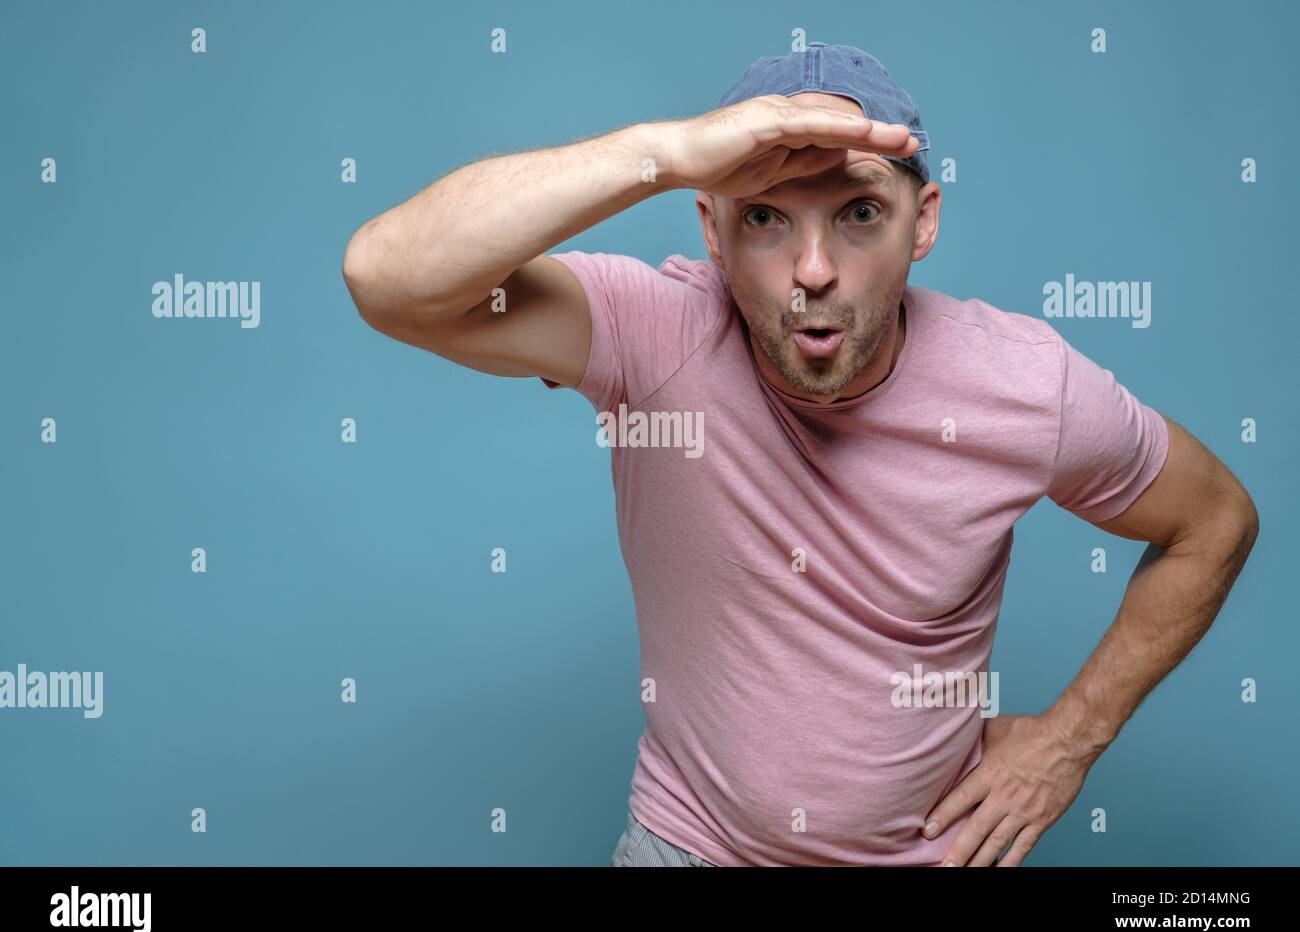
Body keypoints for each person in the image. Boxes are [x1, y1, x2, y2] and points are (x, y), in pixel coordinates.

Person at [341, 43, 1259, 866]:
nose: (813, 270)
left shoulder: (1025, 385)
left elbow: (1214, 520)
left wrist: (1069, 742)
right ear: (710, 229)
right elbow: (387, 280)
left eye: (859, 212)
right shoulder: (655, 334)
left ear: (923, 221)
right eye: (768, 219)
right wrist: (665, 153)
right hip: (687, 846)